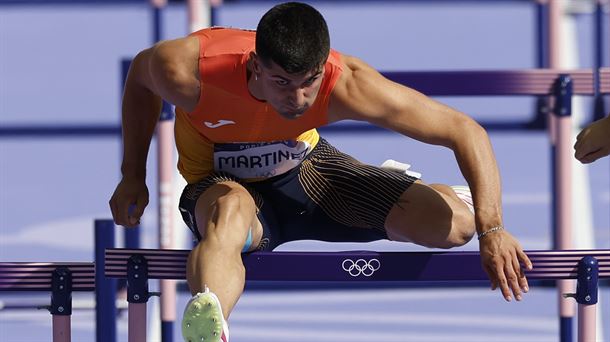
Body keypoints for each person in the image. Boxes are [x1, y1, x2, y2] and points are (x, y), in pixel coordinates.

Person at [109, 2, 532, 341]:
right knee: (231, 214)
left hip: (310, 174)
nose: (297, 98)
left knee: (456, 227)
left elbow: (465, 130)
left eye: (308, 81)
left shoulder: (346, 83)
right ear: (256, 65)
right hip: (221, 186)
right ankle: (207, 329)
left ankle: (428, 192)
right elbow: (140, 83)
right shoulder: (188, 69)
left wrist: (491, 228)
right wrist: (133, 174)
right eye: (281, 83)